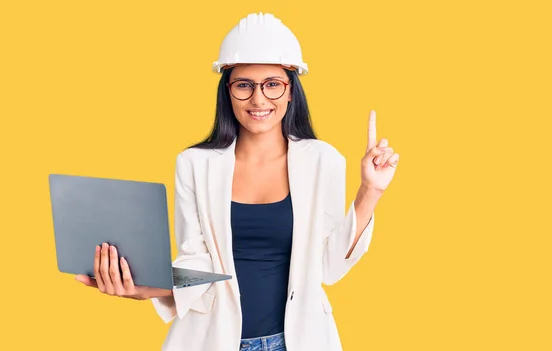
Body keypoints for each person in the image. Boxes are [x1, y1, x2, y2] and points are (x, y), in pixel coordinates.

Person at [75, 12, 400, 351]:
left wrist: (371, 190)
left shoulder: (324, 160)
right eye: (244, 85)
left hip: (299, 341)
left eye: (272, 84)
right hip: (213, 339)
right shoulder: (194, 164)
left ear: (291, 91)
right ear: (227, 91)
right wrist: (145, 287)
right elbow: (197, 262)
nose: (259, 99)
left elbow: (329, 268)